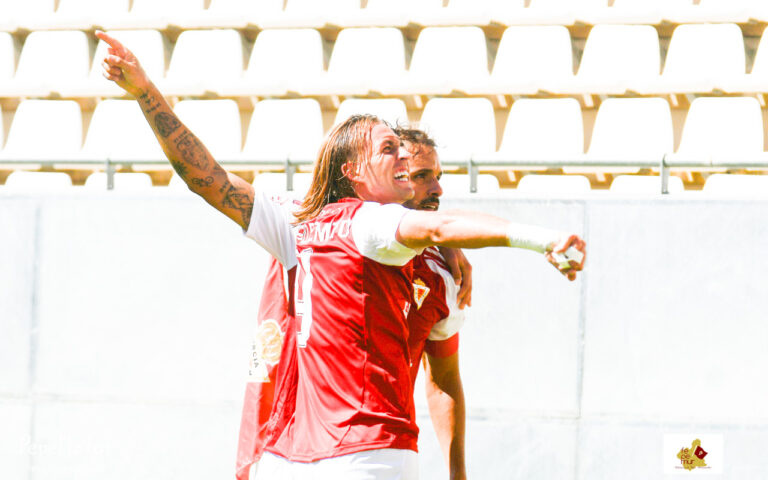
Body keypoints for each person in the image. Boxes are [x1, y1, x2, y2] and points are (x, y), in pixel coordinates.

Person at [96, 30, 586, 480]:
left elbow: (443, 360)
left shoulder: (402, 252)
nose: (409, 163)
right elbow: (207, 177)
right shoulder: (335, 220)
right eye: (391, 150)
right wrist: (145, 93)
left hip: (358, 452)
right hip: (299, 450)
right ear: (353, 171)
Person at [235, 127, 470, 480]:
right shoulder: (313, 233)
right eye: (419, 175)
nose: (436, 189)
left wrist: (458, 472)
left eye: (437, 176)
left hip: (373, 451)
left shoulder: (439, 273)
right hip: (285, 447)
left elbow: (444, 379)